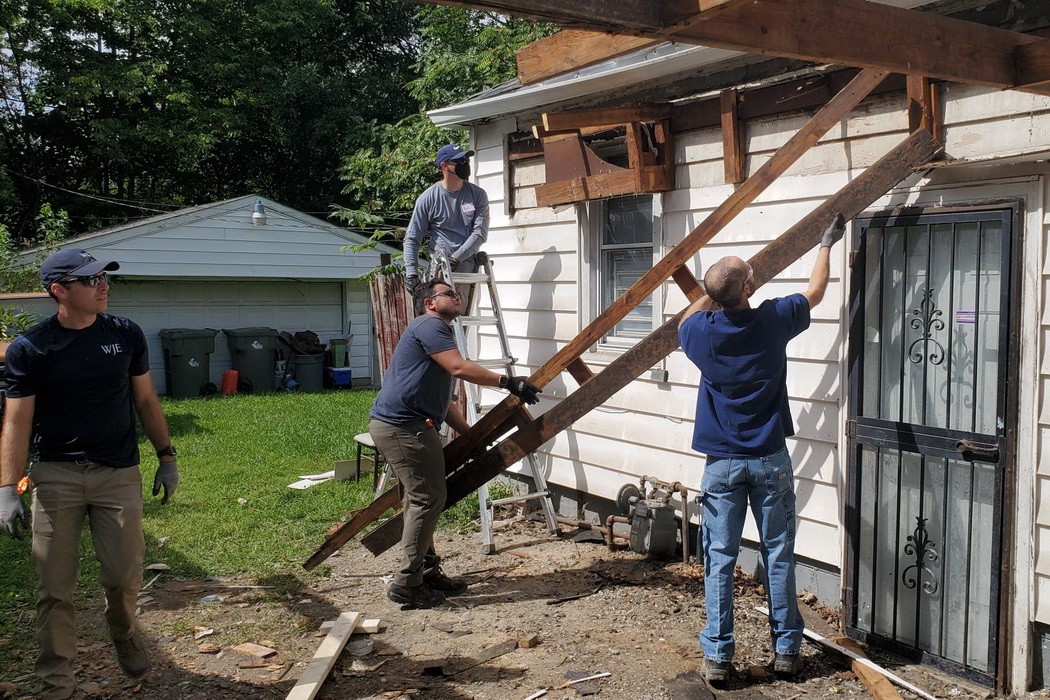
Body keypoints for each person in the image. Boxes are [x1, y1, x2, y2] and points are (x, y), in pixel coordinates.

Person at [0, 248, 179, 700]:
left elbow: (145, 401)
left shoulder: (124, 334)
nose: (103, 285)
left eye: (103, 277)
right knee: (54, 587)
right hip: (56, 475)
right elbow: (17, 422)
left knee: (122, 577)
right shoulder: (31, 348)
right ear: (59, 290)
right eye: (90, 280)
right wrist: (7, 487)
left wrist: (167, 456)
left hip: (118, 473)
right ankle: (55, 682)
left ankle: (123, 631)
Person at [678, 214, 846, 682]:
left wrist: (713, 292)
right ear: (750, 286)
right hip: (770, 459)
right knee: (778, 553)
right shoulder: (774, 318)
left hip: (722, 465)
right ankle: (787, 653)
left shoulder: (700, 333)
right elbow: (815, 291)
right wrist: (826, 244)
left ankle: (718, 657)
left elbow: (686, 319)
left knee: (720, 559)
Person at [370, 278, 540, 609]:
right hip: (404, 427)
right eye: (449, 293)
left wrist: (470, 436)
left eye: (457, 292)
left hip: (409, 424)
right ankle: (407, 583)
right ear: (430, 303)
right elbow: (459, 368)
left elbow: (444, 402)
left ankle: (428, 572)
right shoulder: (430, 325)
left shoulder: (437, 337)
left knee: (420, 500)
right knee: (427, 499)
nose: (457, 296)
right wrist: (510, 382)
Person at [402, 143, 490, 299]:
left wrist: (457, 258)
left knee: (457, 316)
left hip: (465, 269)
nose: (465, 164)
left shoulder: (478, 195)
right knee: (438, 317)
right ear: (444, 166)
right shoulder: (428, 198)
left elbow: (480, 233)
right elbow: (412, 238)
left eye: (466, 159)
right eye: (459, 161)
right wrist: (411, 274)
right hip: (439, 269)